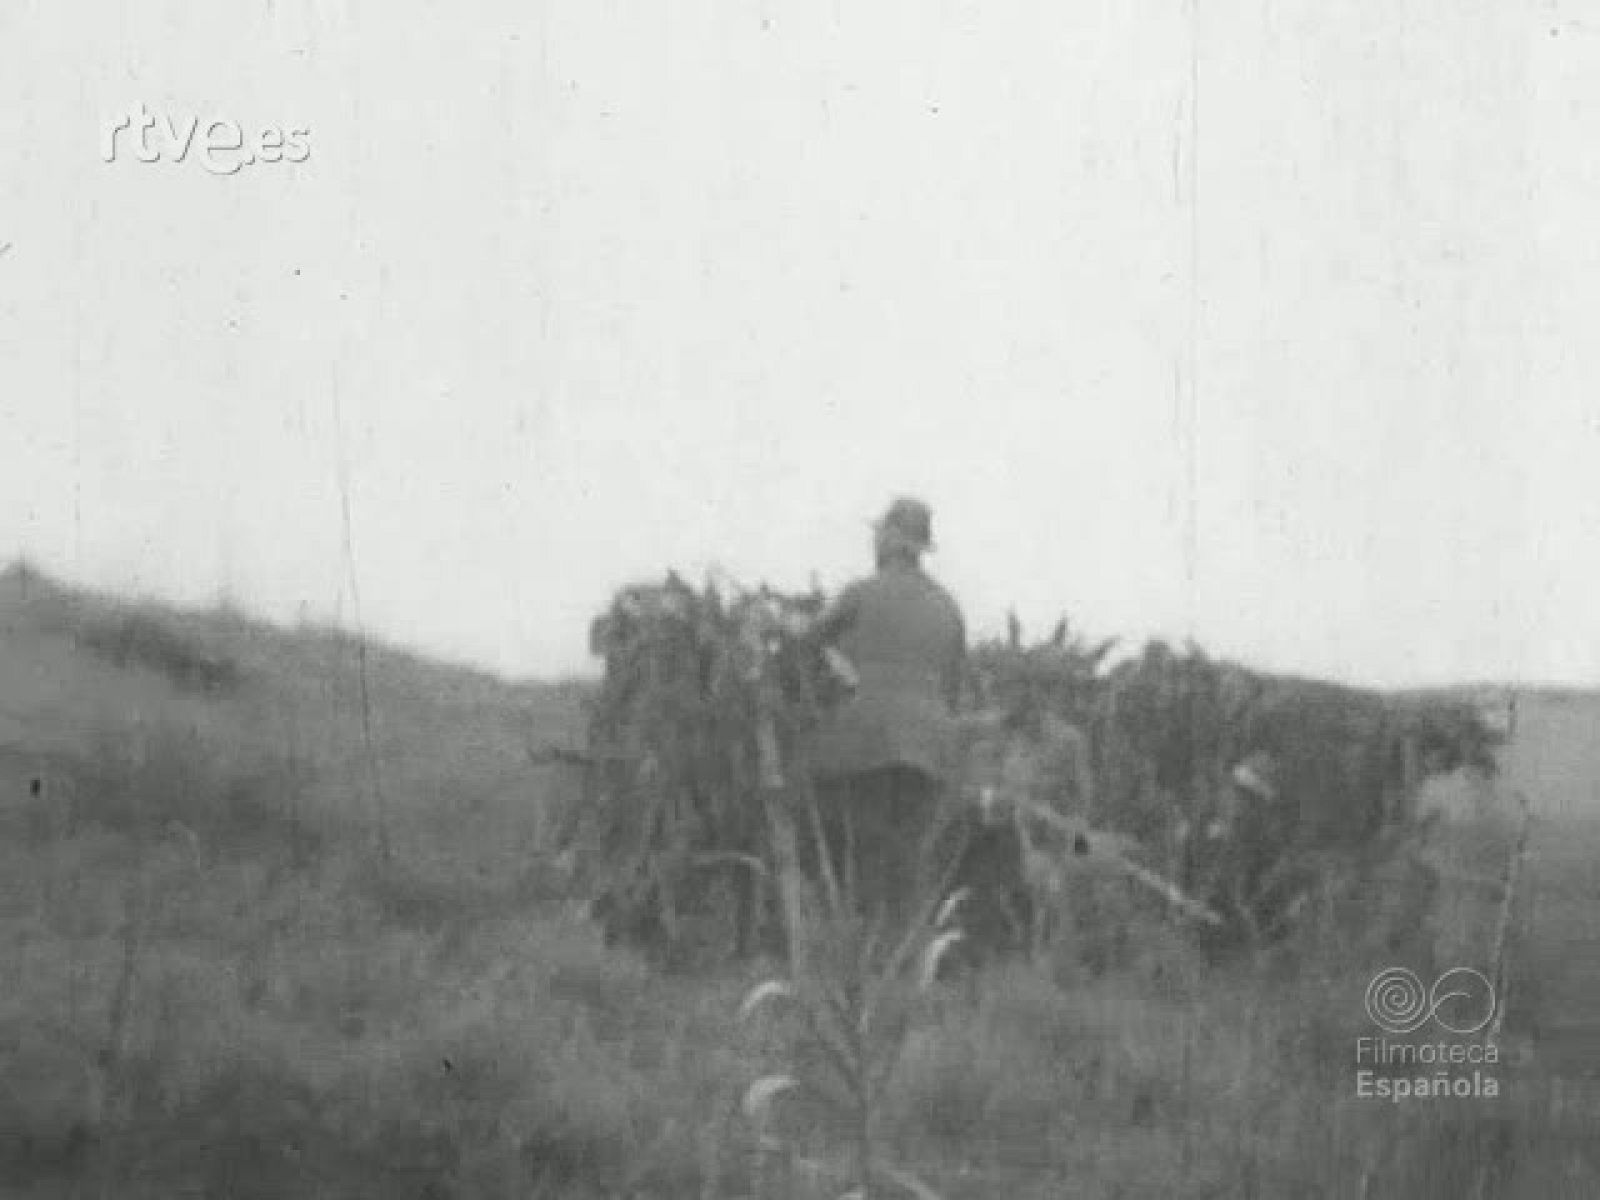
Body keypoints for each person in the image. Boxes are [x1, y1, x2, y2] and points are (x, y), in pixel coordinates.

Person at [802, 496, 968, 933]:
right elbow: (955, 687)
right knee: (909, 850)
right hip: (932, 746)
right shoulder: (948, 606)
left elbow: (805, 645)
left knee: (857, 839)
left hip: (867, 739)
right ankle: (906, 943)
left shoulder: (862, 593)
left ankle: (858, 939)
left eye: (879, 534)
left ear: (892, 541)